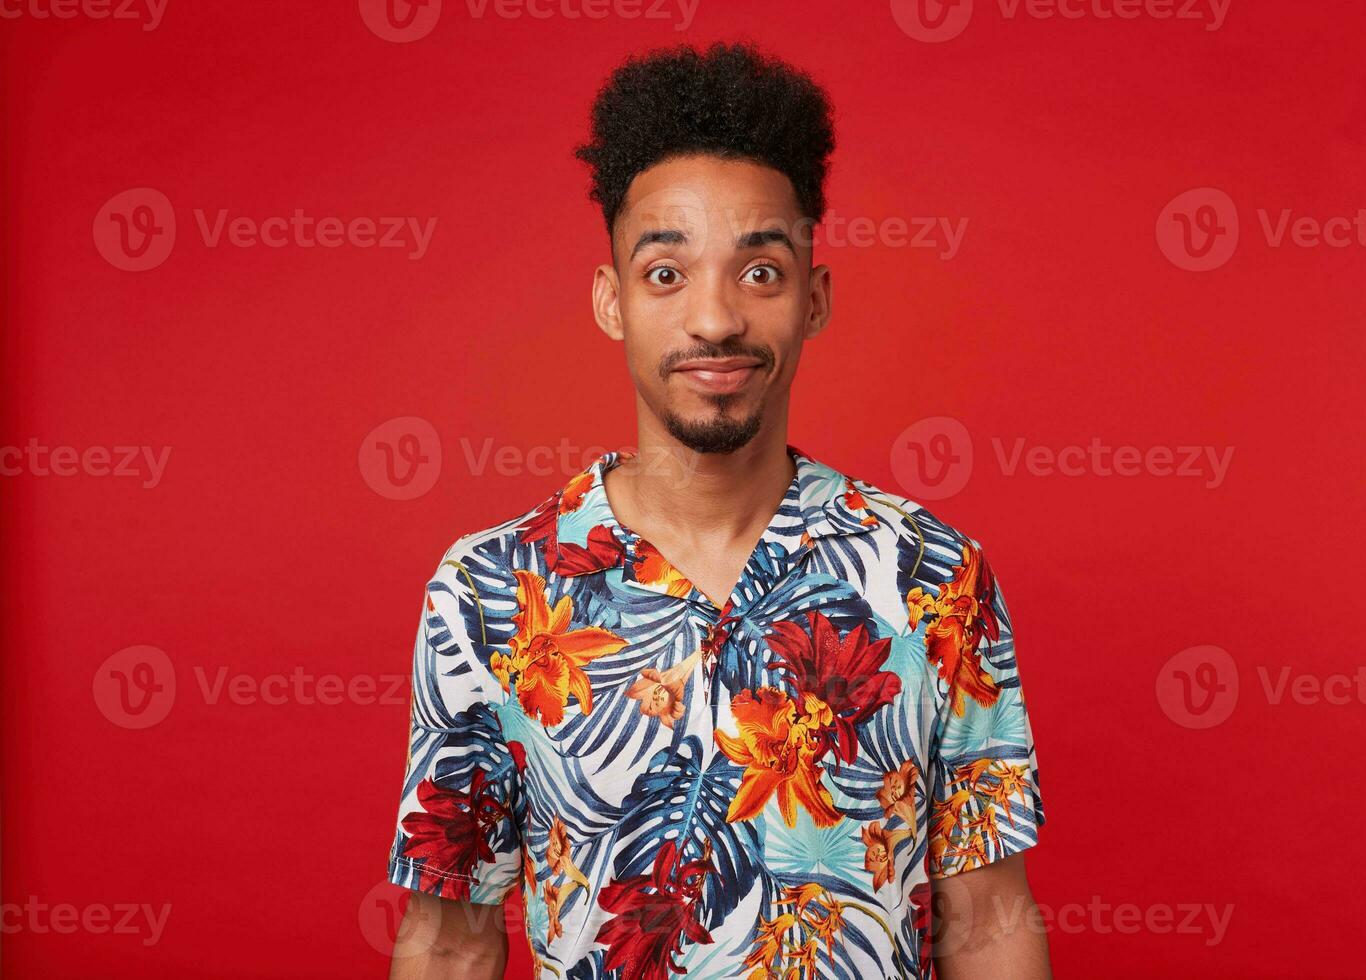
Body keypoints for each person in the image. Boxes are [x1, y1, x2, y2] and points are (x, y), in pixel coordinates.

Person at [385, 41, 1050, 980]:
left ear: (813, 300)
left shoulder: (932, 577)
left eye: (760, 272)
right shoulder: (491, 592)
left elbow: (988, 921)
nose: (715, 320)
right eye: (666, 273)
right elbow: (449, 942)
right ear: (612, 301)